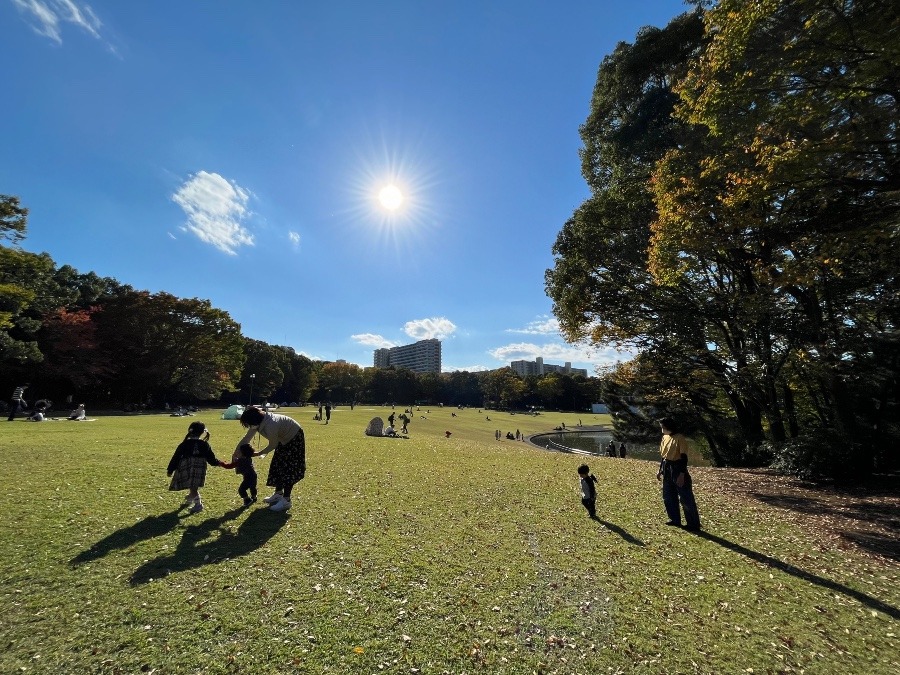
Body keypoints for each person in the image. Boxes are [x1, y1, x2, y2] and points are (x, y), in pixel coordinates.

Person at [236, 406, 305, 512]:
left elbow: (273, 444)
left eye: (249, 424)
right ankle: (278, 494)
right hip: (283, 439)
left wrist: (259, 453)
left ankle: (286, 500)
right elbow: (246, 438)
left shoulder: (271, 424)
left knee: (289, 468)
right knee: (278, 465)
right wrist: (235, 453)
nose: (249, 426)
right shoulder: (259, 421)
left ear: (254, 421)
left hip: (294, 437)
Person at [166, 421, 223, 514]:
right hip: (200, 467)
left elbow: (176, 457)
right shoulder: (204, 444)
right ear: (202, 432)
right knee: (193, 485)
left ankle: (198, 504)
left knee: (192, 487)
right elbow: (211, 458)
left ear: (190, 430)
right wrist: (217, 463)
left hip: (186, 466)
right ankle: (191, 497)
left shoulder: (184, 444)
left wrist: (170, 470)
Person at [656, 417, 701, 530]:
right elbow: (664, 456)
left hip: (677, 468)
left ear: (667, 427)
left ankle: (693, 524)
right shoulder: (665, 437)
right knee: (668, 496)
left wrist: (681, 474)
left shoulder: (679, 438)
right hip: (667, 468)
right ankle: (675, 519)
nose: (661, 429)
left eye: (662, 427)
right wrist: (660, 470)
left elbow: (684, 458)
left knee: (685, 497)